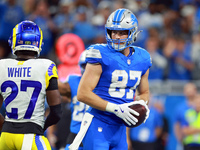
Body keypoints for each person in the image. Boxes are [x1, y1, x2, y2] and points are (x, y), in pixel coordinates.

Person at [69, 8, 151, 150]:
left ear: (133, 32)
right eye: (113, 32)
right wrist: (115, 108)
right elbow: (82, 94)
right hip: (98, 124)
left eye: (121, 32)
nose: (116, 36)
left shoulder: (143, 58)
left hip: (120, 128)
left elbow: (144, 92)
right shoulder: (100, 53)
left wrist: (143, 104)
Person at [0, 20, 62, 150]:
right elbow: (56, 113)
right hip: (30, 136)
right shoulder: (46, 65)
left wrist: (7, 127)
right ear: (38, 43)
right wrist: (39, 126)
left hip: (5, 137)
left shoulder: (2, 65)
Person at [58, 50, 89, 150]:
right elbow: (57, 89)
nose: (88, 69)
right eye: (85, 65)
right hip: (76, 132)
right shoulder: (72, 81)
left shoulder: (105, 84)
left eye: (92, 65)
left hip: (95, 134)